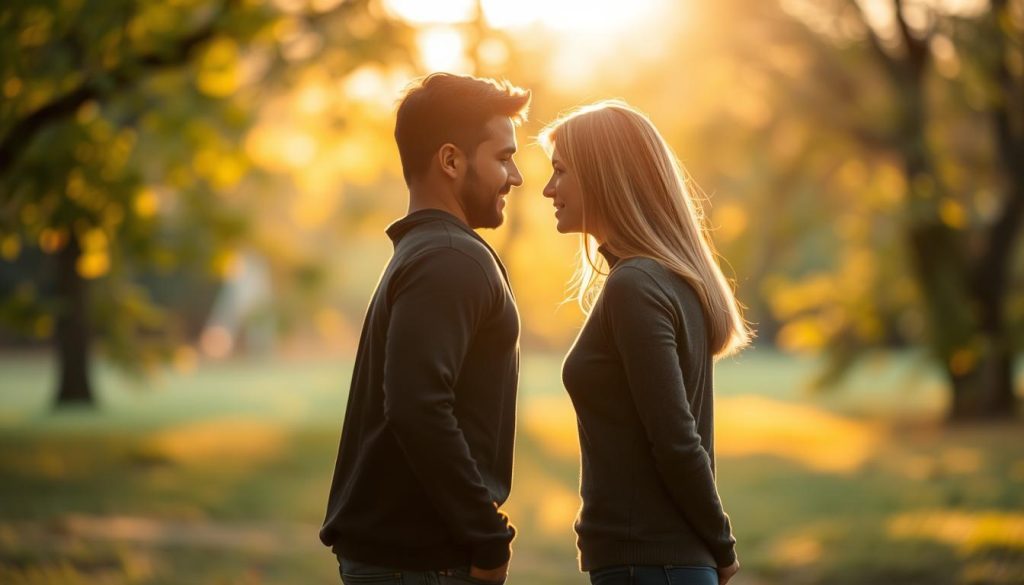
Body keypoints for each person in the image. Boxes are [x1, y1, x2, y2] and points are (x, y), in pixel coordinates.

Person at [320, 72, 530, 585]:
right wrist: (489, 538)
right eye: (503, 157)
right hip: (421, 565)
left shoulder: (429, 252)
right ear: (452, 160)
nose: (517, 176)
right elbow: (417, 404)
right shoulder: (449, 258)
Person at [539, 100, 750, 585]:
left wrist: (722, 546)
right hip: (652, 564)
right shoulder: (660, 279)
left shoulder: (636, 285)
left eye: (560, 171)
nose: (549, 189)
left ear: (602, 176)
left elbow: (676, 439)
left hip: (651, 566)